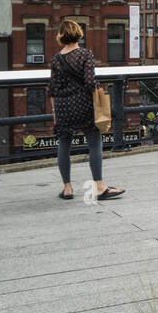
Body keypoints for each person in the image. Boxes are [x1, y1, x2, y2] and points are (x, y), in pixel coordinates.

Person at [49, 19, 123, 201]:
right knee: (94, 143)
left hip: (63, 106)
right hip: (83, 104)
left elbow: (52, 88)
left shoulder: (56, 59)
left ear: (61, 37)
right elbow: (90, 82)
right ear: (78, 34)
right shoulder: (85, 54)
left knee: (64, 144)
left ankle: (67, 189)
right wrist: (98, 90)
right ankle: (99, 187)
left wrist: (54, 112)